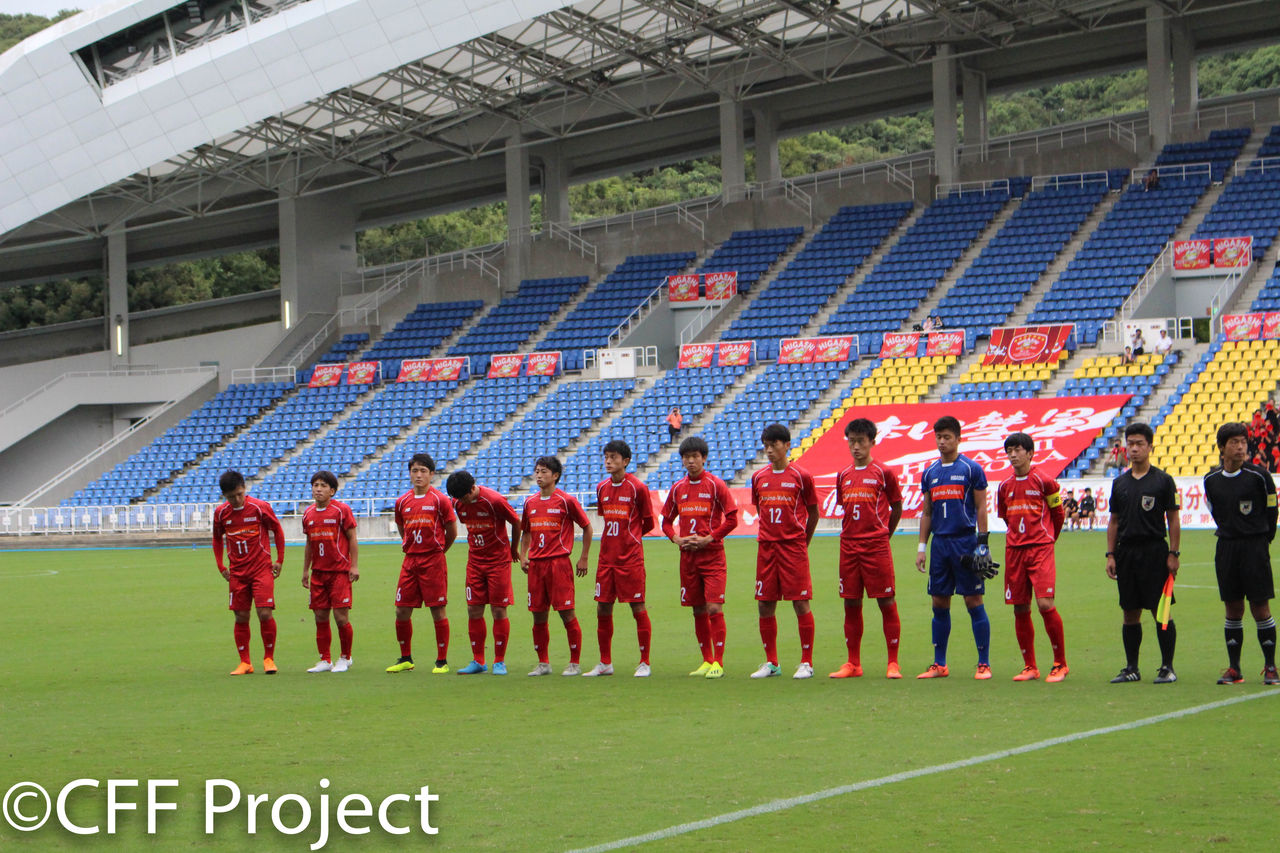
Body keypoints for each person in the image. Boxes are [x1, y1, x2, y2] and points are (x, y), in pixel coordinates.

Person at [915, 416, 994, 680]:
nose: (942, 442)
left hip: (965, 542)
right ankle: (940, 664)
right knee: (939, 601)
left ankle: (983, 663)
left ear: (958, 438)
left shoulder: (971, 469)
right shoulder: (930, 473)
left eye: (947, 437)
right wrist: (921, 547)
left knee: (973, 601)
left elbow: (982, 507)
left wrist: (982, 543)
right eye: (938, 437)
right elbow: (927, 512)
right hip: (940, 545)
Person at [1203, 422, 1279, 685]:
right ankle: (1234, 668)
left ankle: (1270, 666)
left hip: (1255, 547)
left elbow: (1272, 511)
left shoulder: (1260, 476)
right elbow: (1215, 511)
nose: (1240, 447)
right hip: (1226, 547)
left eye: (1243, 442)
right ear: (1222, 448)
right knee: (1232, 608)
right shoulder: (1210, 480)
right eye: (1234, 442)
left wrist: (1261, 539)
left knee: (1260, 607)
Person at [1106, 422, 1181, 684]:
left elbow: (1173, 519)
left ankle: (1167, 667)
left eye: (1140, 444)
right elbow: (1114, 521)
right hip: (1126, 553)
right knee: (1130, 611)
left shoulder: (1163, 480)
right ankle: (1131, 668)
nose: (1134, 448)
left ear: (1150, 447)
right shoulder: (1120, 483)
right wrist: (1110, 555)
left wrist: (1174, 552)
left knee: (1160, 611)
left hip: (1154, 552)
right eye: (1131, 444)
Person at [831, 418, 904, 679]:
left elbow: (897, 507)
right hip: (849, 547)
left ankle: (892, 663)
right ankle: (853, 663)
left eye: (861, 441)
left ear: (872, 442)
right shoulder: (843, 475)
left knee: (886, 601)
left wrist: (885, 535)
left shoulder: (884, 473)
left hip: (876, 546)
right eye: (852, 441)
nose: (856, 446)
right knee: (851, 603)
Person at [662, 435, 738, 679]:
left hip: (712, 556)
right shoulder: (678, 488)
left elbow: (733, 518)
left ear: (704, 458)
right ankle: (706, 660)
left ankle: (719, 661)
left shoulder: (716, 485)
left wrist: (711, 538)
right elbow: (665, 522)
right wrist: (676, 538)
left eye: (695, 456)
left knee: (713, 606)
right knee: (697, 610)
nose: (691, 461)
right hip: (688, 558)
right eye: (686, 457)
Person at [997, 433, 1069, 683]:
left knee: (1045, 605)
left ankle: (1060, 663)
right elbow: (1006, 518)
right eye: (1009, 450)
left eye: (1018, 450)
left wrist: (1048, 539)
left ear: (1030, 453)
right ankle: (1030, 666)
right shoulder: (1004, 486)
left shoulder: (1044, 481)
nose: (1013, 454)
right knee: (1020, 607)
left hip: (1040, 549)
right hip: (1014, 551)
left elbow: (1058, 514)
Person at [750, 423, 820, 680]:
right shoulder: (758, 477)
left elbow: (813, 513)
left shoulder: (801, 476)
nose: (769, 450)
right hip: (767, 548)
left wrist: (803, 541)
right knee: (765, 604)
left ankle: (807, 662)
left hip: (793, 549)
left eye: (774, 445)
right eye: (766, 446)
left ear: (787, 445)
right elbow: (761, 510)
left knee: (800, 603)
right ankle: (772, 662)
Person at [583, 439, 656, 678]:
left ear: (625, 461)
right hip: (606, 558)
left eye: (613, 457)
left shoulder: (638, 488)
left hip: (630, 559)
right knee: (603, 607)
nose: (608, 461)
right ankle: (605, 662)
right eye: (606, 457)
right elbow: (606, 518)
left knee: (637, 606)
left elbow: (648, 522)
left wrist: (630, 539)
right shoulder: (602, 487)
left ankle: (644, 662)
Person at [520, 456, 594, 676]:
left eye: (544, 471)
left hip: (559, 564)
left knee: (566, 613)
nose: (539, 475)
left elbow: (587, 527)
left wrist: (584, 557)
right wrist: (523, 555)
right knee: (538, 614)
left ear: (555, 476)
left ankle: (574, 662)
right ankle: (543, 663)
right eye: (537, 471)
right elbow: (526, 532)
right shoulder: (530, 502)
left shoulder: (565, 500)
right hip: (536, 566)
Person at [387, 453, 457, 674]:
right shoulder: (402, 502)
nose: (418, 475)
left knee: (437, 610)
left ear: (431, 474)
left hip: (433, 560)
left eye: (423, 471)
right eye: (415, 470)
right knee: (401, 611)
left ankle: (442, 660)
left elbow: (452, 531)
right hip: (410, 561)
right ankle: (406, 658)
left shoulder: (440, 500)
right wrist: (409, 545)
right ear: (410, 473)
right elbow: (402, 528)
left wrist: (439, 551)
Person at [446, 470, 521, 676]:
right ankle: (478, 660)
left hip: (498, 562)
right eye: (458, 498)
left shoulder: (494, 500)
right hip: (475, 562)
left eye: (465, 497)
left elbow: (515, 521)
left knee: (498, 610)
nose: (463, 502)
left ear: (473, 488)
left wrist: (514, 549)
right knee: (474, 610)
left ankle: (499, 661)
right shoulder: (458, 503)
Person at [212, 469, 285, 675]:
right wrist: (221, 566)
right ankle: (245, 662)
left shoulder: (259, 507)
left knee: (264, 612)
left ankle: (268, 658)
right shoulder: (221, 513)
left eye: (239, 494)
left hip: (262, 569)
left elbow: (277, 530)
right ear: (224, 496)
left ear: (244, 488)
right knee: (241, 616)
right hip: (237, 572)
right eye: (230, 497)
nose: (236, 500)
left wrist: (279, 559)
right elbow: (217, 539)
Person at [301, 470, 359, 673]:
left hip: (339, 572)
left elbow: (352, 537)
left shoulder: (341, 510)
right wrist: (305, 570)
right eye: (315, 485)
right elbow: (309, 543)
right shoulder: (308, 513)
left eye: (323, 486)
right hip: (318, 573)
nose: (318, 489)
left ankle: (345, 657)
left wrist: (354, 565)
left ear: (332, 491)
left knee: (341, 617)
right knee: (320, 616)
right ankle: (325, 659)